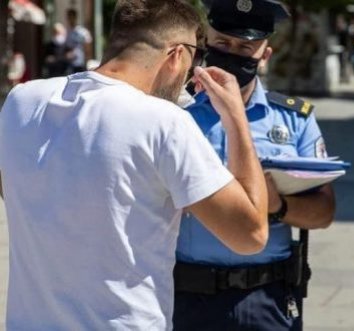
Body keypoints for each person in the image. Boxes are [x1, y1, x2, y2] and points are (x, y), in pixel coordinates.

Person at [0, 0, 269, 329]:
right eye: (196, 58)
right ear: (176, 55)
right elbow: (250, 234)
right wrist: (236, 118)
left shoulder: (21, 100)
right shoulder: (164, 121)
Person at [173, 1, 335, 330]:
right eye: (223, 44)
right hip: (188, 296)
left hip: (267, 297)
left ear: (264, 56)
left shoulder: (294, 119)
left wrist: (277, 206)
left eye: (246, 46)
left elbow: (324, 211)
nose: (232, 53)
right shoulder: (176, 114)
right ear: (206, 44)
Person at [65, 8, 93, 73]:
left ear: (75, 17)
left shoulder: (82, 32)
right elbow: (67, 47)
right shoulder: (68, 32)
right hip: (70, 64)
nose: (69, 19)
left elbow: (88, 48)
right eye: (68, 17)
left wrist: (87, 62)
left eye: (71, 17)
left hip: (81, 63)